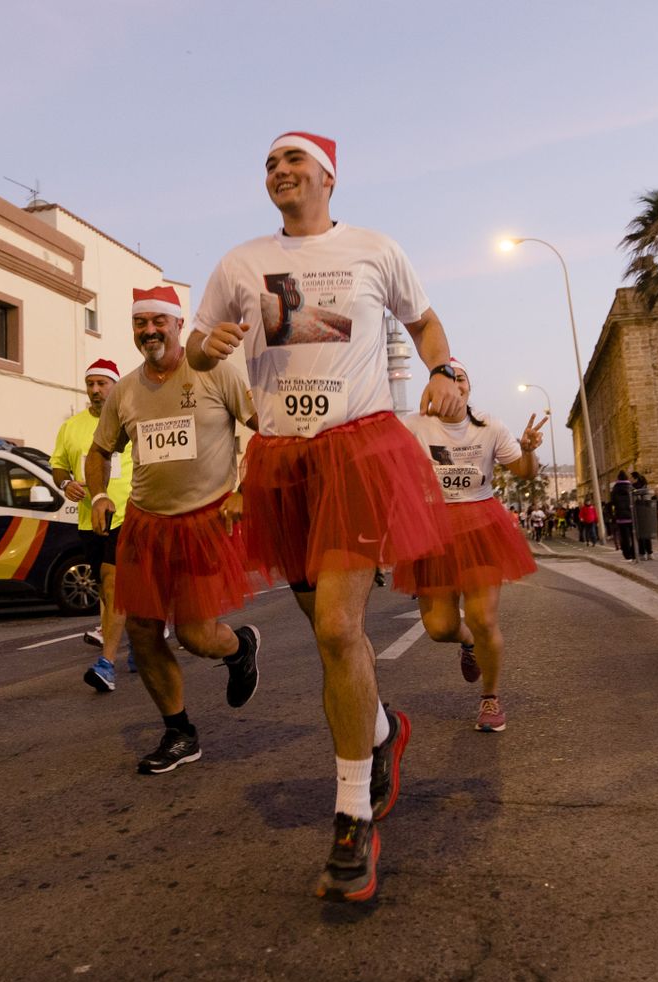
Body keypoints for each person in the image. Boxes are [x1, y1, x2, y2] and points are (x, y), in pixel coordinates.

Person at [187, 130, 459, 903]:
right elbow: (200, 354)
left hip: (357, 453)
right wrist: (207, 349)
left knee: (340, 627)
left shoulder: (376, 249)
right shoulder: (240, 263)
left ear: (328, 175)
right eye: (270, 163)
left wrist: (443, 369)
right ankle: (378, 732)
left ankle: (350, 814)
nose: (278, 171)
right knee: (325, 634)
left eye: (292, 159)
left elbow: (426, 324)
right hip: (280, 461)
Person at [85, 286, 260, 774]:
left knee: (196, 635)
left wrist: (244, 489)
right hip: (145, 522)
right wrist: (99, 494)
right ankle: (179, 732)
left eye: (158, 322)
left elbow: (262, 428)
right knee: (141, 630)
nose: (149, 332)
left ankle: (239, 646)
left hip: (205, 520)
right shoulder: (124, 390)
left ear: (179, 325)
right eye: (141, 324)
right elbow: (100, 451)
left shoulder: (216, 373)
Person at [398, 361, 541, 732]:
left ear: (468, 389)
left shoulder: (490, 426)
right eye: (447, 379)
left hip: (481, 524)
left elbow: (526, 472)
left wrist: (527, 451)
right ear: (433, 389)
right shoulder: (413, 426)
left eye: (461, 379)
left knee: (483, 618)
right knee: (440, 627)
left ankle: (490, 698)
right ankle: (468, 644)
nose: (455, 385)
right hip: (433, 529)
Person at [52, 360, 133, 691]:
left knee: (113, 581)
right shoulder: (71, 427)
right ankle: (144, 639)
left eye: (102, 383)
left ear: (114, 386)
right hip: (90, 518)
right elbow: (57, 465)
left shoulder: (130, 419)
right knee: (106, 586)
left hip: (129, 513)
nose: (96, 390)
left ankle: (107, 663)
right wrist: (65, 483)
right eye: (91, 384)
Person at [609, 471, 636, 561]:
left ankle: (627, 554)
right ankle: (634, 553)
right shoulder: (631, 488)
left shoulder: (615, 489)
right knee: (633, 536)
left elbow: (612, 502)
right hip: (631, 516)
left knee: (624, 537)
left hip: (621, 517)